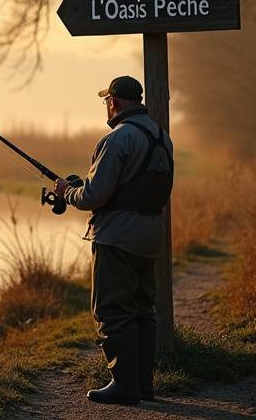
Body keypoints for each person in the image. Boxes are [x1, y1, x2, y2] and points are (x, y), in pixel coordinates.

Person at [54, 75, 174, 405]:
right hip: (151, 235)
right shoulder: (162, 137)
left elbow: (94, 195)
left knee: (112, 310)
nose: (106, 106)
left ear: (114, 102)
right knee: (142, 309)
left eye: (106, 100)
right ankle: (143, 386)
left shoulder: (116, 140)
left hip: (118, 237)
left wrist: (68, 191)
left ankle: (124, 385)